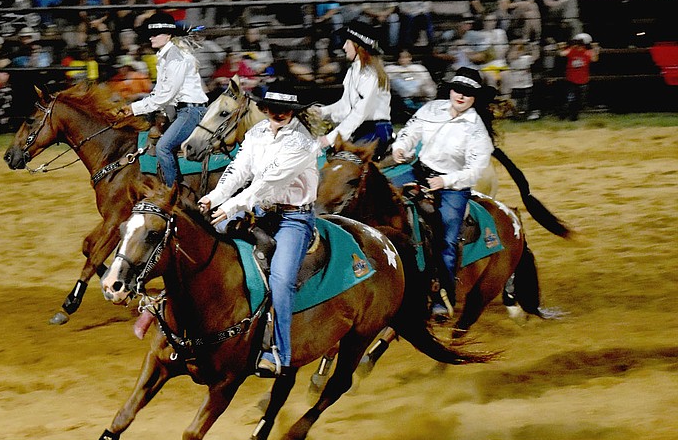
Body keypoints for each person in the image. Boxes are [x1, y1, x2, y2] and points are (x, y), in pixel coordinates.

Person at [198, 82, 319, 377]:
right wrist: (213, 197)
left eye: (285, 110)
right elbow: (238, 170)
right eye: (273, 108)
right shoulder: (256, 134)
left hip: (293, 219)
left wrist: (230, 207)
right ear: (264, 109)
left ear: (293, 112)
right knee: (203, 243)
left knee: (281, 280)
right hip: (260, 211)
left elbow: (267, 182)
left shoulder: (302, 144)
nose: (279, 114)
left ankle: (278, 353)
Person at [391, 66, 495, 320]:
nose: (461, 95)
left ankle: (443, 296)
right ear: (450, 90)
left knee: (447, 237)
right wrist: (400, 147)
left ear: (474, 98)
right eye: (458, 89)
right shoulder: (431, 109)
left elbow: (474, 171)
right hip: (418, 170)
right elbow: (410, 131)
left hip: (453, 187)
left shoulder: (477, 130)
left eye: (467, 92)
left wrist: (445, 181)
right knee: (381, 194)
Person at [118, 12, 208, 187]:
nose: (151, 37)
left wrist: (134, 108)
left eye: (155, 34)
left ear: (168, 35)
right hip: (181, 111)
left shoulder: (175, 58)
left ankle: (171, 191)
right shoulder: (166, 56)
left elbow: (165, 96)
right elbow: (160, 93)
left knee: (163, 147)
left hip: (191, 112)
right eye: (150, 34)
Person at [315, 20, 393, 156]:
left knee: (346, 161)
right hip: (361, 129)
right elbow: (346, 105)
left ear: (358, 46)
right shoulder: (353, 71)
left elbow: (360, 111)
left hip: (376, 130)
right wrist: (321, 112)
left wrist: (331, 138)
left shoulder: (370, 74)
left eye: (347, 42)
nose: (344, 47)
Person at [558, 32, 599, 120]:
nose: (578, 46)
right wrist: (563, 47)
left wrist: (595, 49)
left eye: (580, 44)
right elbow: (562, 54)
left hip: (583, 80)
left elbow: (595, 59)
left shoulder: (587, 52)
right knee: (570, 99)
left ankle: (573, 116)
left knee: (579, 100)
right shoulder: (572, 50)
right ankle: (564, 114)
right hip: (571, 80)